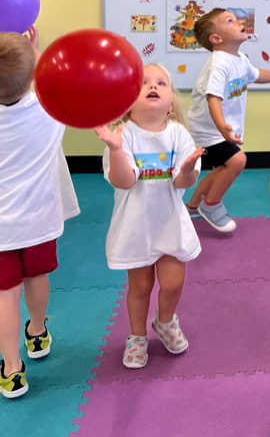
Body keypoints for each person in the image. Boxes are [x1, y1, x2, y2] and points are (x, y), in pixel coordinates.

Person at [95, 64, 204, 369]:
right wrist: (115, 150)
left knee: (172, 284)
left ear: (170, 105)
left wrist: (186, 170)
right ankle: (137, 336)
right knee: (140, 287)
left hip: (170, 224)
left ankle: (165, 322)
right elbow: (124, 181)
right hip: (136, 227)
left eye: (161, 83)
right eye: (143, 83)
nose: (153, 86)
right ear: (127, 104)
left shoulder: (178, 134)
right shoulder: (123, 135)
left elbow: (183, 182)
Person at [0, 28, 79, 399]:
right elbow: (57, 82)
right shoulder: (50, 110)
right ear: (33, 72)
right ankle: (36, 331)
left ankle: (11, 369)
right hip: (38, 222)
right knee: (37, 277)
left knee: (5, 294)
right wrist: (35, 51)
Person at [185, 8, 270, 232]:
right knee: (237, 161)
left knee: (221, 169)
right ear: (216, 39)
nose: (239, 21)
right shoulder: (219, 64)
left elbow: (255, 75)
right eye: (230, 21)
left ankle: (191, 207)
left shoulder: (239, 59)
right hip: (209, 130)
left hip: (222, 129)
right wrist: (222, 127)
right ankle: (211, 205)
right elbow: (213, 98)